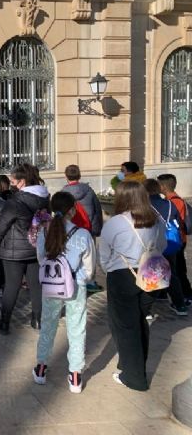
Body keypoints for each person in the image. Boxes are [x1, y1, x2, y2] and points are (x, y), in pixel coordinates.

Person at [99, 181, 166, 391]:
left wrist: (112, 267)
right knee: (139, 320)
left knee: (126, 326)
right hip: (151, 274)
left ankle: (134, 376)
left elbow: (104, 254)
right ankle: (130, 363)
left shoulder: (115, 222)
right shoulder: (155, 219)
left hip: (123, 275)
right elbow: (162, 245)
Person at [33, 192, 96, 394]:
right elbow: (90, 267)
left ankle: (41, 367)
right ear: (72, 209)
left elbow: (41, 259)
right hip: (76, 285)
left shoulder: (44, 232)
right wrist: (81, 279)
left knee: (48, 325)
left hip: (51, 285)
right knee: (77, 328)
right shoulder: (83, 234)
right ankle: (75, 374)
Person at [0, 163, 50, 334]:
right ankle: (37, 320)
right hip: (37, 247)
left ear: (22, 181)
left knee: (12, 285)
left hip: (14, 250)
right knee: (36, 285)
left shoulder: (15, 201)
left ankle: (4, 323)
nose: (11, 182)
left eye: (13, 180)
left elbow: (0, 227)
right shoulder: (45, 197)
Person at [144, 179, 187, 315]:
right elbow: (177, 221)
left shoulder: (144, 205)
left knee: (149, 274)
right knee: (172, 273)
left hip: (152, 243)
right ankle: (179, 304)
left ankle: (146, 309)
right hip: (170, 242)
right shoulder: (169, 203)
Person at [61, 165, 104, 293]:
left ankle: (71, 279)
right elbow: (97, 210)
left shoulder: (62, 193)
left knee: (70, 254)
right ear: (79, 175)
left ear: (66, 176)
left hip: (69, 230)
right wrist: (96, 228)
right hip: (87, 228)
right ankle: (90, 282)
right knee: (89, 256)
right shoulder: (89, 191)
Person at [158, 173, 192, 304]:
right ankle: (164, 293)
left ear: (163, 186)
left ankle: (186, 294)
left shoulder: (174, 202)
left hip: (177, 240)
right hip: (178, 240)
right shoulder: (174, 200)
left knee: (178, 270)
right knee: (175, 267)